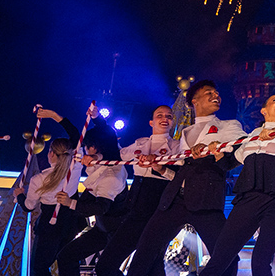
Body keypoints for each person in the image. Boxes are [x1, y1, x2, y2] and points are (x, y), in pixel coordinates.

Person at [125, 80, 247, 276]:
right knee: (145, 252)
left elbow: (242, 151)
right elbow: (180, 171)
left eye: (216, 92)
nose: (216, 95)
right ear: (194, 101)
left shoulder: (228, 126)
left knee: (227, 257)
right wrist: (159, 167)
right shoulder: (186, 132)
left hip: (206, 201)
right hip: (174, 200)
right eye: (209, 92)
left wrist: (217, 153)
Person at [199, 94, 275, 276]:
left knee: (261, 261)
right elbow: (229, 164)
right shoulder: (250, 137)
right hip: (248, 199)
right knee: (220, 256)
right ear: (264, 110)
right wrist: (218, 153)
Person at [93, 105, 180, 276]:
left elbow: (179, 178)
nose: (164, 118)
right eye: (159, 115)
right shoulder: (141, 143)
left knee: (151, 267)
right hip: (135, 208)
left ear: (172, 121)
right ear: (151, 122)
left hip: (159, 209)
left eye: (168, 116)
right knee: (105, 266)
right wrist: (96, 156)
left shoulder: (177, 147)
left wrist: (160, 167)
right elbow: (116, 155)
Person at [13, 108, 85, 276]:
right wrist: (54, 116)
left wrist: (19, 195)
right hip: (70, 222)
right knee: (66, 259)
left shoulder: (40, 179)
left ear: (51, 153)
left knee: (39, 267)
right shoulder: (75, 167)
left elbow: (29, 206)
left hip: (50, 225)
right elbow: (75, 134)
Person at [55, 110, 127, 276]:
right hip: (103, 228)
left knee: (106, 269)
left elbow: (101, 207)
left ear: (93, 147)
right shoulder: (106, 155)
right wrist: (96, 116)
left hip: (117, 231)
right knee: (66, 256)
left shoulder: (111, 176)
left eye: (87, 146)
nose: (84, 150)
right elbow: (106, 133)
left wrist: (70, 203)